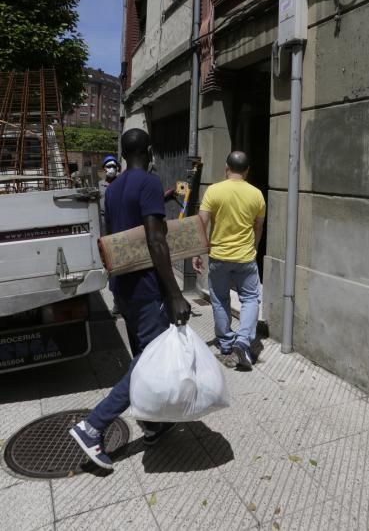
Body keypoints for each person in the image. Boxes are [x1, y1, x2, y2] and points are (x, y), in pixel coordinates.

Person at [69, 128, 191, 470]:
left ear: (122, 154)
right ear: (150, 151)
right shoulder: (150, 181)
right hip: (146, 288)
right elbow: (155, 240)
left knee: (142, 355)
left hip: (122, 286)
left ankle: (153, 423)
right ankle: (94, 425)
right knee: (149, 360)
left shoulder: (115, 188)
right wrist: (176, 292)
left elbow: (118, 237)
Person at [192, 151, 266, 371]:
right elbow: (258, 227)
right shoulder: (257, 194)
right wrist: (254, 248)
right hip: (245, 257)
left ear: (226, 168)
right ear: (247, 170)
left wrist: (197, 252)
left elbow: (201, 223)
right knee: (251, 298)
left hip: (219, 257)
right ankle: (243, 341)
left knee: (220, 299)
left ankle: (226, 344)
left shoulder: (214, 191)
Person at [99, 154, 121, 317]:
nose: (111, 169)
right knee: (111, 268)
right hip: (106, 231)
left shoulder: (121, 184)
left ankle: (120, 302)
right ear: (104, 168)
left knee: (121, 267)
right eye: (108, 166)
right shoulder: (99, 186)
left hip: (120, 229)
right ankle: (117, 302)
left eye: (114, 166)